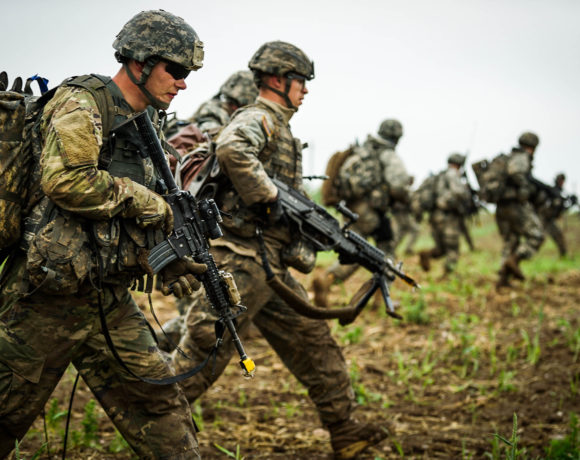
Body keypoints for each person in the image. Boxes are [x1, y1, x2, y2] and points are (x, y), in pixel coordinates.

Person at [0, 10, 208, 459]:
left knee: (160, 407)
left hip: (107, 299)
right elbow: (67, 181)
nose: (182, 83)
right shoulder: (82, 102)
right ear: (140, 62)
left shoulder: (147, 125)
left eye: (188, 74)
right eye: (175, 69)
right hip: (41, 299)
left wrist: (169, 258)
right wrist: (144, 199)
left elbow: (125, 221)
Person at [170, 41, 389, 460]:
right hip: (241, 261)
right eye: (300, 81)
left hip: (268, 266)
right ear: (276, 80)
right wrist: (268, 197)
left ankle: (345, 430)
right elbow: (232, 148)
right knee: (204, 349)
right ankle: (152, 426)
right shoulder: (260, 118)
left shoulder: (279, 126)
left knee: (313, 343)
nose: (305, 90)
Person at [312, 118, 412, 308]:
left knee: (355, 251)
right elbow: (398, 185)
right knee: (387, 250)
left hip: (351, 208)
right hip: (372, 211)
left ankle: (327, 278)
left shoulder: (363, 149)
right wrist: (406, 198)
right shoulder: (388, 155)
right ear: (397, 137)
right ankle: (383, 298)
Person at [495, 131, 544, 288]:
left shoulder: (507, 158)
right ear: (533, 147)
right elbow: (516, 172)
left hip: (501, 206)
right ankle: (514, 259)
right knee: (536, 236)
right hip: (515, 205)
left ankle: (503, 280)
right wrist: (527, 188)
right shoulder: (521, 157)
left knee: (510, 241)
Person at [418, 153, 472, 278]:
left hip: (435, 216)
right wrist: (466, 192)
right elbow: (458, 192)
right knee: (453, 248)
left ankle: (427, 254)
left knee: (441, 249)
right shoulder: (452, 174)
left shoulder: (440, 176)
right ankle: (448, 276)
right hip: (448, 216)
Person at [536, 173, 570, 257]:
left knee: (559, 236)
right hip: (543, 219)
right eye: (561, 180)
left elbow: (561, 209)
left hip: (549, 220)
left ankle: (564, 256)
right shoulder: (551, 191)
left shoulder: (560, 193)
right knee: (537, 237)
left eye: (563, 181)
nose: (562, 182)